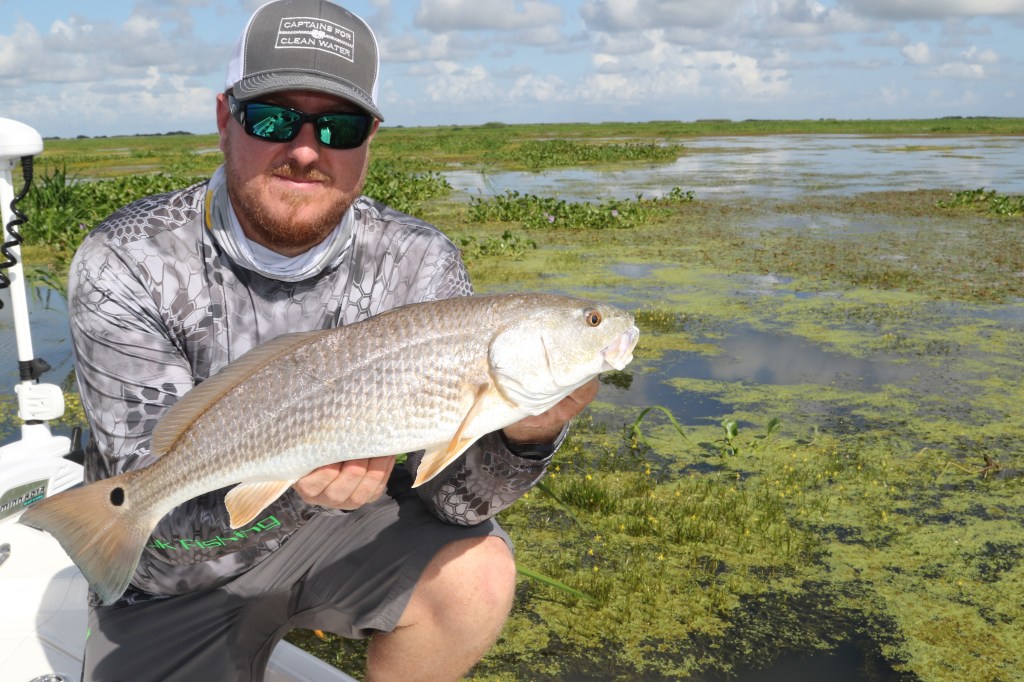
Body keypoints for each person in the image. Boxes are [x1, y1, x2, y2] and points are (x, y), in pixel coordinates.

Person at [67, 1, 598, 680]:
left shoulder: (419, 260)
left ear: (369, 138)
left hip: (351, 531)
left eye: (338, 126)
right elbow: (159, 532)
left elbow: (455, 504)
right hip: (176, 576)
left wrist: (527, 437)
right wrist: (297, 483)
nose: (305, 149)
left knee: (477, 575)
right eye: (272, 118)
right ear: (225, 119)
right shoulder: (127, 259)